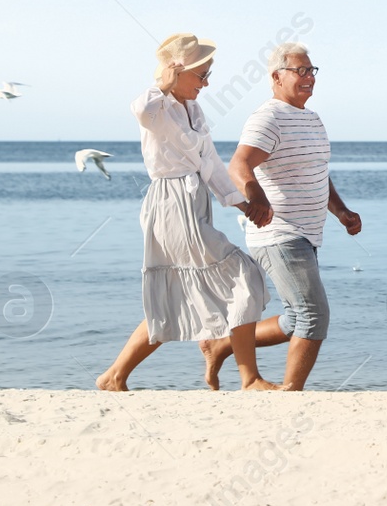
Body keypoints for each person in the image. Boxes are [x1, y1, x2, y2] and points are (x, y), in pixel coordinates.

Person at [97, 34, 277, 392]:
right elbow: (140, 111)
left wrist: (240, 201)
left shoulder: (194, 110)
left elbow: (209, 163)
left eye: (209, 74)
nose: (207, 83)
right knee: (243, 274)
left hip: (194, 201)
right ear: (177, 72)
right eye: (201, 75)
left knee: (174, 294)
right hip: (169, 202)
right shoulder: (157, 105)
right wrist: (161, 84)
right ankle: (249, 377)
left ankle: (114, 377)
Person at [200, 43, 361, 391]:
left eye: (311, 71)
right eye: (299, 71)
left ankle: (222, 344)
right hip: (280, 234)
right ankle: (291, 393)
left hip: (307, 235)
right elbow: (239, 164)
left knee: (294, 319)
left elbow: (317, 172)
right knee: (313, 316)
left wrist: (341, 211)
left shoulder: (312, 119)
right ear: (276, 77)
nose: (307, 78)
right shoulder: (268, 117)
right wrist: (254, 194)